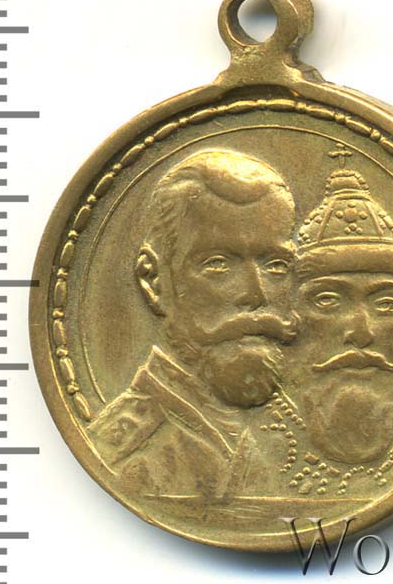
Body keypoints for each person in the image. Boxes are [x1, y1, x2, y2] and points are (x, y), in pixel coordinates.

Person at [88, 149, 298, 498]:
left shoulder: (298, 429)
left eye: (275, 264)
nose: (255, 295)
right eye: (218, 264)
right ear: (154, 280)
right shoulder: (122, 455)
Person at [292, 168, 393, 479]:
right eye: (328, 301)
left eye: (386, 304)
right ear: (290, 315)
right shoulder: (238, 455)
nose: (361, 333)